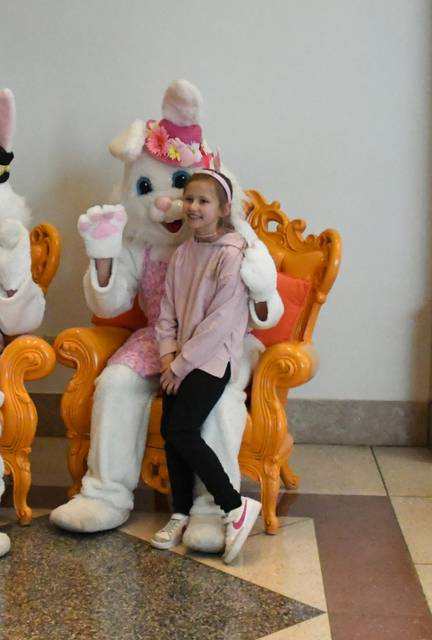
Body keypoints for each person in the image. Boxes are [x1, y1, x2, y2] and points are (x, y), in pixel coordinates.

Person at [151, 169, 261, 564]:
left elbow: (220, 324)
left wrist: (180, 365)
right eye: (189, 199)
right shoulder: (182, 254)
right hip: (177, 358)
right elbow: (166, 313)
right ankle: (180, 512)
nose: (194, 207)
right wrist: (166, 356)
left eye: (204, 201)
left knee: (182, 428)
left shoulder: (231, 256)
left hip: (211, 361)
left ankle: (234, 505)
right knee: (170, 430)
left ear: (223, 208)